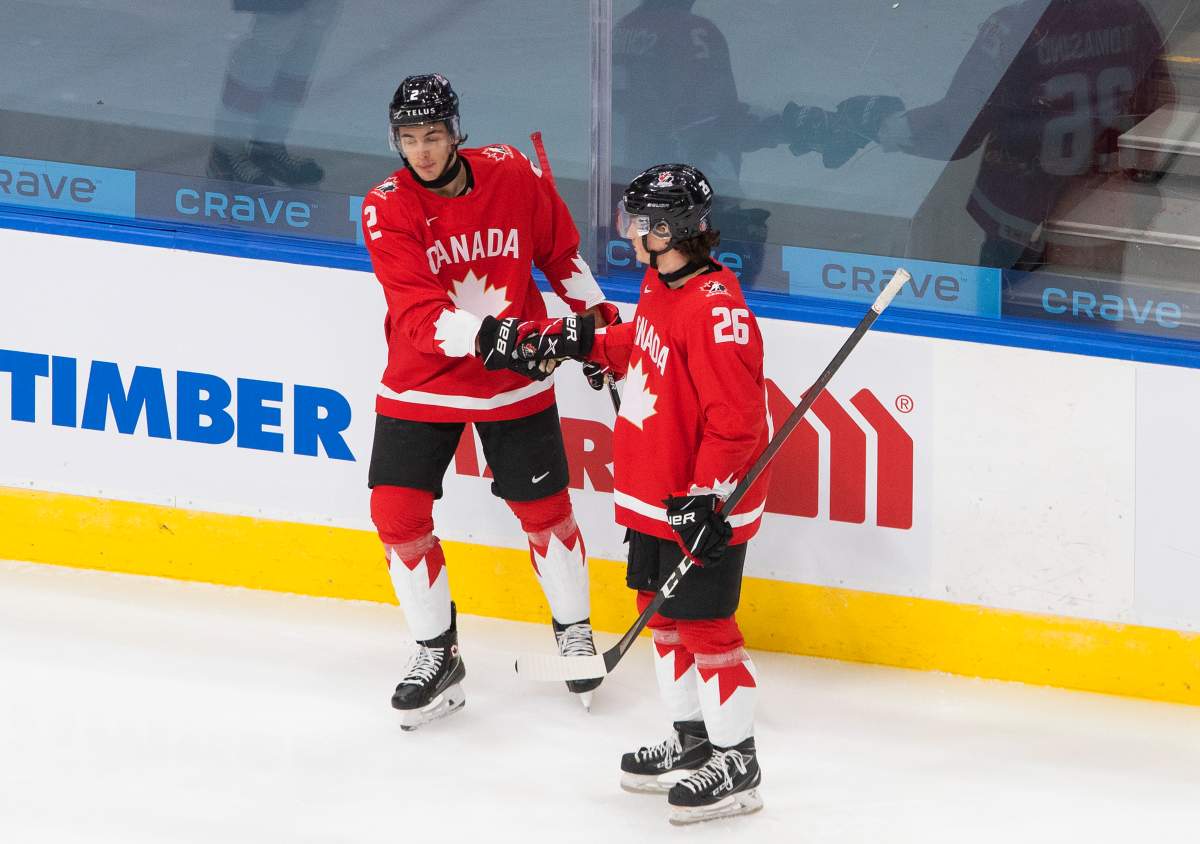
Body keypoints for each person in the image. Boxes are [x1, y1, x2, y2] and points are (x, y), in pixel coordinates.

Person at [510, 163, 770, 825]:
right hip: (656, 491)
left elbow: (736, 423)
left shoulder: (719, 314)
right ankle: (691, 745)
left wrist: (710, 499)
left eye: (639, 223)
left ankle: (737, 763)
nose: (628, 233)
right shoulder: (664, 280)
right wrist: (582, 341)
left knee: (708, 628)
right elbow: (645, 349)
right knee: (660, 613)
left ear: (673, 229)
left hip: (700, 502)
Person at [359, 73, 617, 730]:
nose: (421, 151)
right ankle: (436, 655)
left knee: (545, 511)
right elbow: (419, 315)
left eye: (434, 136)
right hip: (422, 380)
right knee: (395, 512)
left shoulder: (510, 170)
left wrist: (599, 330)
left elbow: (561, 254)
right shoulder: (386, 206)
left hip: (513, 385)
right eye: (409, 139)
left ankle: (575, 632)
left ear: (456, 134)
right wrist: (507, 337)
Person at [836, 0, 1170, 270]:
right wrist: (1133, 179)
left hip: (1018, 220)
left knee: (1006, 330)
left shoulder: (1014, 25)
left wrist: (884, 126)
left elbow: (957, 128)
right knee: (1093, 329)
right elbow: (1164, 100)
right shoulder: (1130, 12)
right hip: (1101, 214)